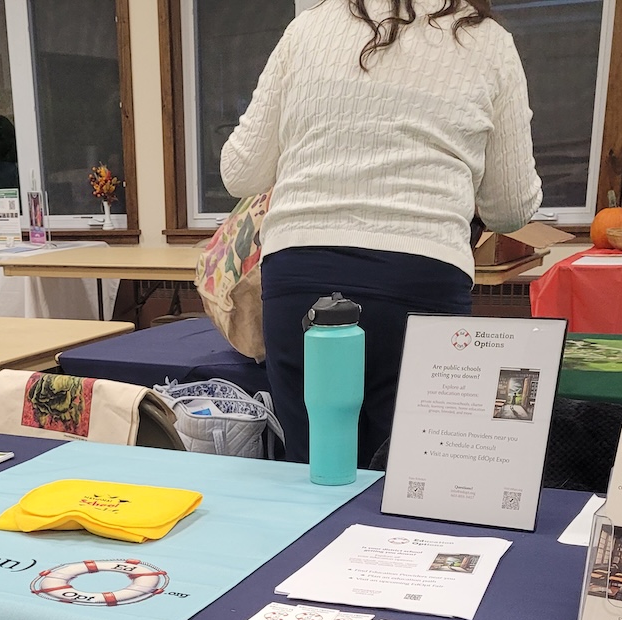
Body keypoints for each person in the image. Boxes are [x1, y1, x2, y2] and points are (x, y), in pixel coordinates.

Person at [221, 0, 541, 466]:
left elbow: (240, 173)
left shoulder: (307, 30)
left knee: (315, 469)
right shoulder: (488, 42)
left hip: (302, 270)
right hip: (421, 274)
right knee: (415, 475)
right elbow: (511, 207)